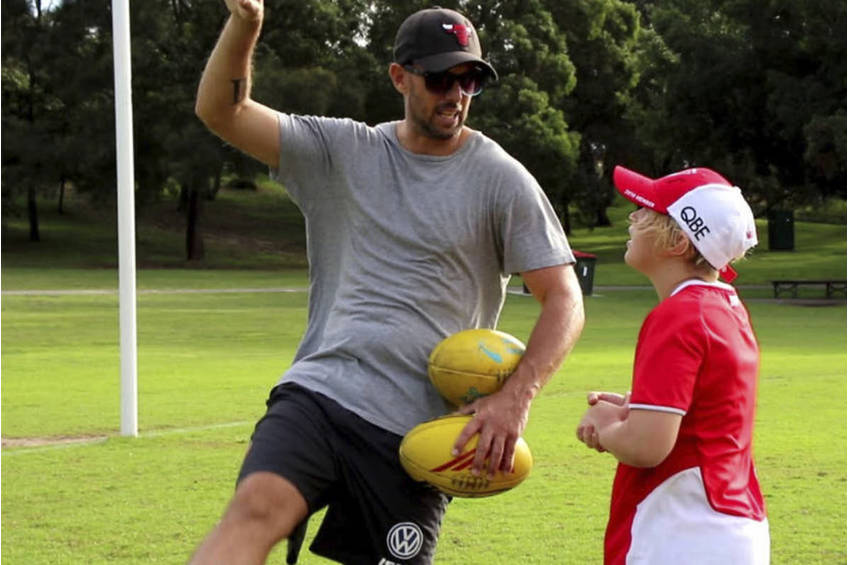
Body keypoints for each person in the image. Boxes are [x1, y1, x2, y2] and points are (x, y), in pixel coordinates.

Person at [190, 2, 585, 564]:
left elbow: (565, 298)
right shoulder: (341, 152)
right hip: (322, 395)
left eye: (469, 78)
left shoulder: (502, 180)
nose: (456, 93)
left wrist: (514, 399)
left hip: (417, 439)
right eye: (440, 78)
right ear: (400, 77)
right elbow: (222, 112)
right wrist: (246, 24)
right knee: (255, 509)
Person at [576, 165, 769, 564]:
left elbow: (646, 447)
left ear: (679, 241)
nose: (632, 217)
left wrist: (606, 426)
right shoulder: (726, 305)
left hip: (682, 529)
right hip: (728, 526)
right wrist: (640, 406)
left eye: (646, 212)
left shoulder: (679, 314)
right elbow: (709, 410)